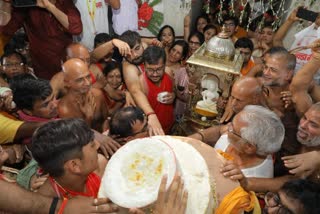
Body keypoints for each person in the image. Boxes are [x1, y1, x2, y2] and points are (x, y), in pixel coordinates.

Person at [0, 0, 82, 79]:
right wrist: (6, 3)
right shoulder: (27, 4)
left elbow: (76, 28)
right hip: (44, 67)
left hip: (68, 63)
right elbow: (6, 30)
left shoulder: (65, 2)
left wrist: (49, 6)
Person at [32, 119, 107, 199]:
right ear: (75, 165)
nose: (98, 145)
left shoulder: (99, 164)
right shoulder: (50, 204)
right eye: (92, 145)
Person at [216, 105, 284, 178]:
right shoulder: (240, 137)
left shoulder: (251, 177)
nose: (227, 127)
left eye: (232, 129)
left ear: (249, 147)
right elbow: (220, 130)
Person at [119, 30, 164, 135]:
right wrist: (151, 114)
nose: (134, 55)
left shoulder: (145, 45)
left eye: (137, 49)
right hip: (141, 106)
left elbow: (142, 41)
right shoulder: (128, 66)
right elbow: (135, 90)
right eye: (128, 53)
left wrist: (152, 41)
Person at [58, 58, 108, 132]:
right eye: (80, 80)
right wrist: (88, 118)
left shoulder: (98, 94)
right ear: (67, 83)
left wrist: (106, 134)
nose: (87, 83)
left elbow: (106, 119)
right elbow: (78, 138)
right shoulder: (64, 109)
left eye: (88, 77)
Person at [139, 46, 175, 134]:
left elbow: (174, 90)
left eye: (159, 69)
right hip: (153, 132)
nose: (155, 74)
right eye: (150, 70)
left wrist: (173, 96)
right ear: (144, 66)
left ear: (165, 65)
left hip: (170, 125)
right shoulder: (141, 82)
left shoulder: (169, 72)